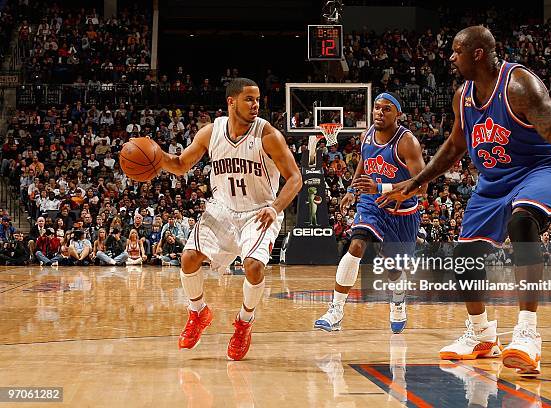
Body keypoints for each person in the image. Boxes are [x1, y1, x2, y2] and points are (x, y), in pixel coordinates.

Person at [377, 26, 551, 376]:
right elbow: (455, 147)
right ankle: (483, 335)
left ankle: (528, 332)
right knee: (464, 257)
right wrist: (415, 182)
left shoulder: (519, 86)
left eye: (457, 51)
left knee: (522, 222)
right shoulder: (462, 97)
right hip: (494, 181)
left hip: (539, 170)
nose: (451, 57)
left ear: (478, 54)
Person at [157, 78, 302, 360]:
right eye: (249, 99)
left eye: (258, 99)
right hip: (221, 210)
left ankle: (244, 323)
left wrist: (275, 208)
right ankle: (198, 313)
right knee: (188, 259)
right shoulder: (211, 132)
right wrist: (155, 155)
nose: (255, 104)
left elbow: (295, 178)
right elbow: (179, 165)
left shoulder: (267, 135)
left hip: (258, 210)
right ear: (231, 101)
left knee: (253, 266)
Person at [313, 92, 425, 334]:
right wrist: (353, 189)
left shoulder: (407, 142)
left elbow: (422, 186)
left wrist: (382, 187)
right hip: (372, 203)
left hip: (402, 211)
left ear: (398, 115)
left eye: (386, 109)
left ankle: (397, 301)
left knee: (394, 269)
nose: (379, 113)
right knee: (356, 246)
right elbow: (364, 164)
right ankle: (335, 310)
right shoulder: (366, 136)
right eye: (376, 108)